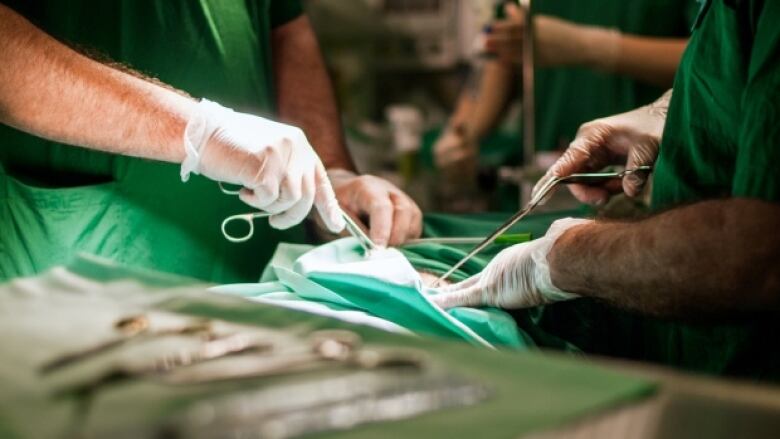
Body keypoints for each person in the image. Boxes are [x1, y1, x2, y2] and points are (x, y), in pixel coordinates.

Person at [434, 0, 780, 380]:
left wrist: (562, 259)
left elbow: (757, 253)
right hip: (686, 341)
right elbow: (731, 60)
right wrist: (671, 110)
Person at [0, 1, 422, 283]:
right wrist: (196, 130)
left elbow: (286, 29)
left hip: (258, 274)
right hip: (91, 254)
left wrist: (330, 174)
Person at [434, 1, 697, 201]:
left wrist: (595, 47)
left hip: (645, 181)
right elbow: (503, 49)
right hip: (548, 181)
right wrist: (463, 135)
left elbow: (718, 61)